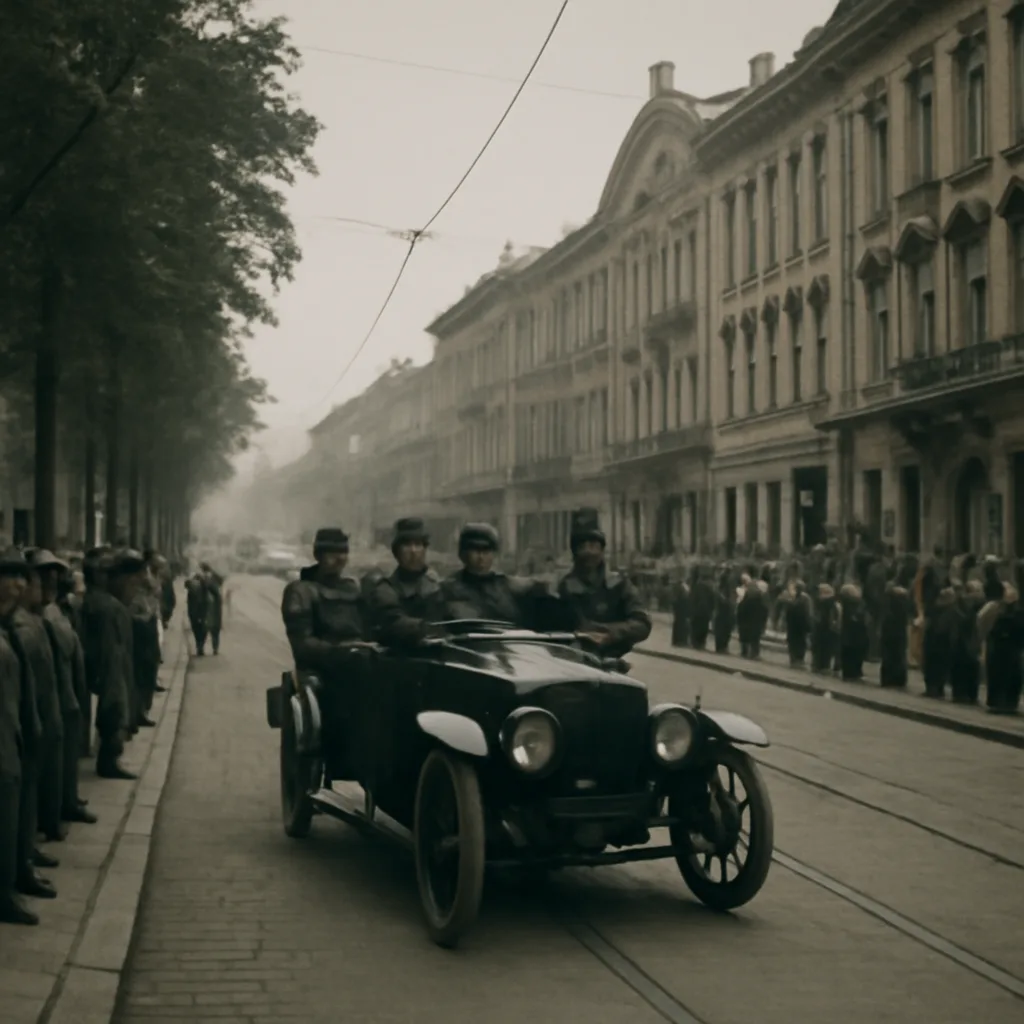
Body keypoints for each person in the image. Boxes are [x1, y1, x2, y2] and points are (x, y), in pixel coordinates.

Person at [0, 549, 45, 924]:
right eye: (9, 576)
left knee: (13, 815)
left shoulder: (14, 624)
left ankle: (15, 880)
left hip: (14, 734)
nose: (19, 584)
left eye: (20, 577)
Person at [555, 509, 651, 659]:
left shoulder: (619, 584)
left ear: (601, 549)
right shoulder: (563, 588)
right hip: (573, 663)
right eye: (582, 547)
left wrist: (609, 633)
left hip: (612, 662)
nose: (589, 552)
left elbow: (642, 623)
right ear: (575, 553)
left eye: (593, 545)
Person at [80, 547, 136, 780]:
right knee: (114, 711)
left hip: (110, 666)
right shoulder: (107, 607)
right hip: (111, 669)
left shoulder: (97, 602)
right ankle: (109, 760)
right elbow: (110, 650)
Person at [440, 523, 547, 627]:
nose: (481, 557)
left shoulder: (509, 587)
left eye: (486, 550)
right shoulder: (447, 590)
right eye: (475, 550)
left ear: (494, 554)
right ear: (462, 554)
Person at [368, 518, 446, 647]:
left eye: (418, 544)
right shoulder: (386, 588)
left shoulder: (437, 585)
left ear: (425, 549)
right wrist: (426, 628)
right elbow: (392, 622)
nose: (413, 551)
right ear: (397, 552)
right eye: (407, 545)